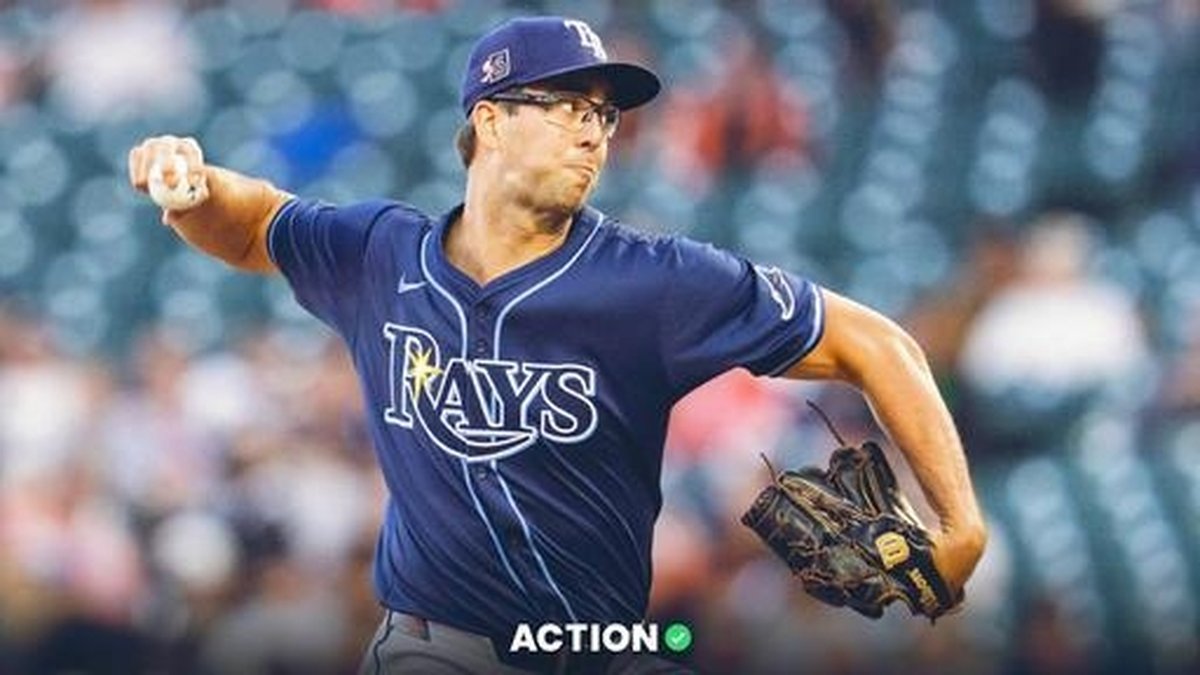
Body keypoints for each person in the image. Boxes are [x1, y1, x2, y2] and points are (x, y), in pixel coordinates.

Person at [128, 16, 987, 675]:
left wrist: (961, 525)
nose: (595, 132)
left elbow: (878, 343)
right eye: (568, 107)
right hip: (440, 647)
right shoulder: (380, 255)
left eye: (604, 114)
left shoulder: (654, 281)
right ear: (491, 120)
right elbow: (258, 223)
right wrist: (195, 191)